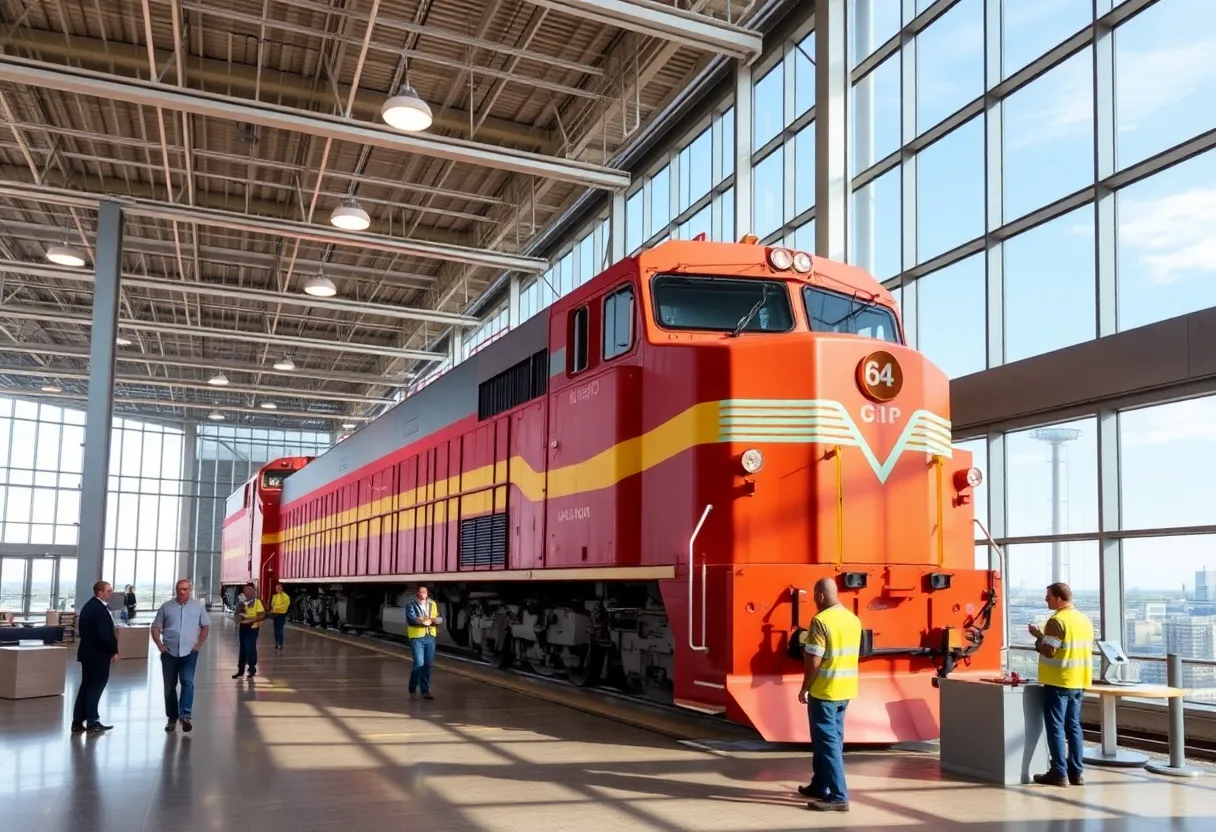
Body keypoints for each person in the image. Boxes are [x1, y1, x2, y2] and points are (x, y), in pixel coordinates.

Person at [797, 577, 861, 813]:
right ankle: (819, 785)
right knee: (830, 740)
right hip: (845, 690)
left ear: (820, 596)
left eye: (815, 596)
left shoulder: (821, 621)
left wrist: (805, 687)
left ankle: (838, 796)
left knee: (827, 743)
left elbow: (814, 659)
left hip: (825, 691)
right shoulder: (853, 619)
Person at [1030, 582, 1094, 787]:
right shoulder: (1084, 620)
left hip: (1058, 681)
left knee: (1056, 727)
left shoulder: (1057, 621)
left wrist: (1038, 638)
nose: (1046, 600)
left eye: (1048, 596)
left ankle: (1059, 772)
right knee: (1073, 726)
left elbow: (1050, 651)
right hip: (1079, 680)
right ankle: (1077, 772)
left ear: (1059, 598)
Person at [150, 579, 211, 733]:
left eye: (185, 589)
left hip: (189, 653)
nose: (182, 592)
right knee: (170, 686)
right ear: (176, 590)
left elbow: (205, 626)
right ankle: (172, 717)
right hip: (169, 653)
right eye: (179, 589)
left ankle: (185, 716)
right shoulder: (166, 607)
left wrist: (198, 645)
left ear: (189, 590)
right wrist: (160, 645)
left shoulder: (198, 607)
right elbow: (155, 627)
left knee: (187, 681)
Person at [72, 580, 120, 735]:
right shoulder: (99, 609)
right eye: (108, 591)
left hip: (87, 653)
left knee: (86, 686)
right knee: (96, 687)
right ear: (100, 593)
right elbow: (104, 635)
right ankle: (92, 721)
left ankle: (78, 721)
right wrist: (113, 651)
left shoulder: (89, 606)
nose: (111, 594)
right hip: (98, 655)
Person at [406, 585, 442, 700]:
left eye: (424, 592)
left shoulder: (432, 604)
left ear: (427, 593)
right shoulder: (411, 604)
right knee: (419, 663)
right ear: (417, 593)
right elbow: (412, 619)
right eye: (420, 592)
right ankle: (412, 688)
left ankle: (425, 690)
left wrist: (430, 620)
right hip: (417, 637)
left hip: (430, 636)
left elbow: (438, 618)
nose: (422, 594)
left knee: (427, 664)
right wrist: (423, 621)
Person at [232, 584, 265, 679]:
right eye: (245, 591)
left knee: (250, 648)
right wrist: (238, 616)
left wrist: (251, 619)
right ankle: (240, 671)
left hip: (252, 628)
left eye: (248, 591)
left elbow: (262, 615)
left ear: (252, 592)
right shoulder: (242, 601)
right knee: (242, 648)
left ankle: (251, 669)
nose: (246, 593)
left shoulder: (257, 601)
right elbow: (237, 613)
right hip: (243, 627)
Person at [270, 583, 290, 650]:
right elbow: (272, 604)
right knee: (276, 630)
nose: (277, 589)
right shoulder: (274, 596)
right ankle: (276, 643)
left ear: (281, 588)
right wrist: (273, 609)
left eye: (278, 588)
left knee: (280, 630)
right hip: (275, 615)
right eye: (276, 588)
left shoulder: (286, 597)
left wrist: (275, 608)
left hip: (281, 615)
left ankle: (280, 644)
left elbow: (285, 607)